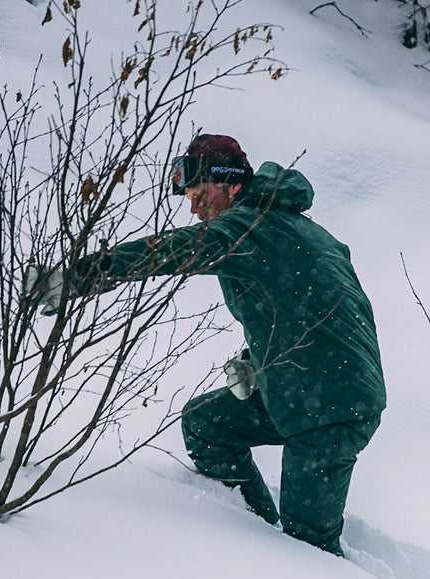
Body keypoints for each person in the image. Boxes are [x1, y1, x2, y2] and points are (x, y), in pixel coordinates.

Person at [31, 134, 386, 556]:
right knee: (207, 424)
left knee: (309, 549)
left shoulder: (246, 228)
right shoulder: (286, 228)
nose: (194, 207)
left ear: (232, 185)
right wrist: (258, 363)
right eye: (189, 197)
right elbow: (309, 305)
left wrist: (74, 278)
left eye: (201, 194)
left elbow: (167, 252)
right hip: (305, 387)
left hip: (330, 407)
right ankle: (252, 532)